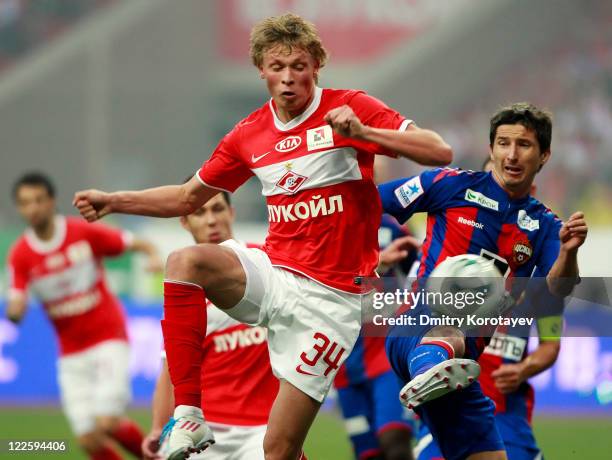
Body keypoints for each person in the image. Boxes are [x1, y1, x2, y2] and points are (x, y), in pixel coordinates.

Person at [73, 13, 452, 460]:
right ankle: (190, 415)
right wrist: (115, 201)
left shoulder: (350, 106)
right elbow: (186, 197)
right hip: (275, 274)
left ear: (316, 66)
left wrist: (363, 133)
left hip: (332, 302)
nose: (288, 78)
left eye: (298, 66)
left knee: (278, 449)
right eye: (277, 67)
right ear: (261, 70)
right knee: (185, 262)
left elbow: (439, 150)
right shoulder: (248, 135)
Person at [378, 103, 588, 460]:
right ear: (491, 149)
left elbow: (557, 289)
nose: (512, 154)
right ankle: (427, 369)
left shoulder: (547, 228)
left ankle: (434, 377)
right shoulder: (449, 184)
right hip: (416, 330)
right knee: (450, 330)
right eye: (503, 143)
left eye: (524, 145)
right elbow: (368, 203)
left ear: (544, 155)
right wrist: (371, 259)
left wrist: (569, 252)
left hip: (464, 370)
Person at [6, 172, 163, 460]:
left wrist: (152, 256)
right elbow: (16, 299)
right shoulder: (21, 255)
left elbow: (134, 243)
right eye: (25, 203)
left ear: (51, 201)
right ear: (18, 207)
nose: (33, 208)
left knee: (108, 421)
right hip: (70, 353)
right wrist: (15, 312)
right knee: (88, 438)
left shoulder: (82, 233)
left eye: (39, 200)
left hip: (107, 337)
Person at [414, 159, 564, 460]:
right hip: (448, 413)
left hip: (509, 420)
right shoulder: (442, 279)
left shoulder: (541, 282)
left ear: (530, 191)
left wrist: (523, 369)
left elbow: (550, 347)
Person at [141, 189, 284, 460]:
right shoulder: (183, 288)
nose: (210, 220)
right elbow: (170, 369)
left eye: (217, 209)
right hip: (205, 430)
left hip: (264, 429)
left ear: (231, 213)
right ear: (185, 222)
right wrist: (158, 429)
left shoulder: (265, 262)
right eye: (199, 212)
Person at [335, 215, 419, 460]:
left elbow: (420, 276)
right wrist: (375, 264)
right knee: (368, 453)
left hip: (386, 354)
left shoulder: (392, 227)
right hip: (344, 362)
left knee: (395, 443)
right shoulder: (321, 227)